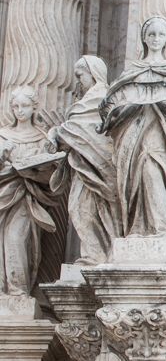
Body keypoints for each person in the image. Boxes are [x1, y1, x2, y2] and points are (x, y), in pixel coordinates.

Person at [100, 15, 166, 238]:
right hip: (133, 131)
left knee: (152, 166)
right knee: (134, 175)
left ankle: (161, 226)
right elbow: (115, 105)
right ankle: (138, 226)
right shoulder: (132, 71)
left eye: (161, 35)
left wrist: (165, 97)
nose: (156, 39)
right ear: (144, 38)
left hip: (159, 129)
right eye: (152, 34)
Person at [48, 56, 118, 265]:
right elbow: (76, 131)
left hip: (100, 165)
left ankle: (103, 254)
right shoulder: (83, 103)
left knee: (95, 209)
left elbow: (87, 132)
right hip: (82, 166)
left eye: (80, 75)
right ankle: (93, 254)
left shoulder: (105, 99)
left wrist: (60, 134)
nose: (78, 81)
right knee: (78, 209)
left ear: (93, 74)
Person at [0, 87, 63, 295]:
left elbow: (51, 176)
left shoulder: (42, 138)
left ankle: (19, 292)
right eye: (16, 106)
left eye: (25, 106)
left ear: (34, 107)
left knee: (17, 240)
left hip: (27, 197)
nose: (20, 111)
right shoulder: (3, 135)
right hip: (4, 193)